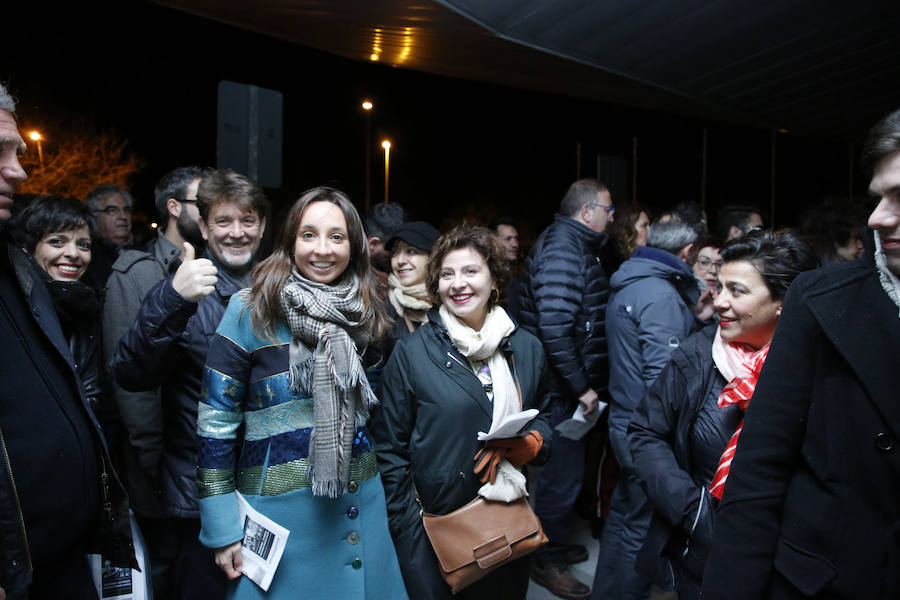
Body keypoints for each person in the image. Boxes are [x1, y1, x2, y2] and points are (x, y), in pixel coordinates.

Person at [701, 110, 900, 599]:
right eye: (879, 197)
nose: (877, 216)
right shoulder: (823, 302)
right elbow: (757, 473)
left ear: (776, 299)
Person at [197, 186, 406, 598]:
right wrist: (222, 529)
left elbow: (378, 414)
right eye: (308, 234)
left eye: (337, 236)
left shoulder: (367, 311)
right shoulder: (250, 308)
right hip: (278, 522)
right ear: (290, 240)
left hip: (359, 505)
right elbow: (215, 425)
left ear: (354, 246)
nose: (322, 249)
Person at [628, 231, 818, 599]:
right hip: (703, 560)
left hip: (787, 563)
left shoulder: (816, 372)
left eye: (738, 291)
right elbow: (645, 432)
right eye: (719, 288)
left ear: (784, 302)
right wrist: (692, 512)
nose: (719, 303)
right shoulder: (697, 356)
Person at [0, 82, 135, 599]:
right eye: (1, 152)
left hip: (66, 555)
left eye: (82, 243)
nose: (20, 170)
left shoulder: (30, 283)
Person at [372, 225, 553, 599]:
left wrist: (536, 442)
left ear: (494, 279)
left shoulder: (526, 347)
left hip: (507, 520)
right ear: (436, 285)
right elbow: (389, 448)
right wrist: (408, 530)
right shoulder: (413, 353)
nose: (458, 284)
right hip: (437, 529)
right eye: (447, 274)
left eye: (471, 271)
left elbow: (547, 412)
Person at [112, 168, 268, 599]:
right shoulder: (182, 287)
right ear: (202, 227)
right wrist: (173, 299)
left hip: (270, 491)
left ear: (262, 226)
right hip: (200, 499)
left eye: (247, 221)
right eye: (223, 222)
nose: (236, 233)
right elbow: (131, 372)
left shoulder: (277, 289)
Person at [592, 217, 714, 600]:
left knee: (626, 516)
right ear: (687, 252)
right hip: (642, 428)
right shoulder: (660, 294)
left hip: (625, 416)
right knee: (642, 526)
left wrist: (692, 320)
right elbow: (663, 378)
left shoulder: (636, 281)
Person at [102, 166, 204, 595]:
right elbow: (130, 379)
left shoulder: (212, 263)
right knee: (164, 566)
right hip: (158, 461)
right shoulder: (138, 272)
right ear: (174, 207)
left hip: (200, 459)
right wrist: (150, 459)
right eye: (204, 202)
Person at [519, 178, 613, 599]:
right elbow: (556, 327)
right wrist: (580, 388)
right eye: (608, 210)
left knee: (564, 477)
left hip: (564, 388)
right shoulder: (563, 249)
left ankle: (551, 544)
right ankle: (545, 560)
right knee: (561, 479)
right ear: (588, 211)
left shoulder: (573, 246)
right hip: (561, 392)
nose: (611, 218)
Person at [15, 195, 119, 440]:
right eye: (57, 241)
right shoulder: (16, 312)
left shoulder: (88, 307)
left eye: (83, 245)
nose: (73, 253)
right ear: (28, 249)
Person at [383, 220, 440, 349]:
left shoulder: (452, 302)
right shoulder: (384, 311)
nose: (400, 261)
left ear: (432, 257)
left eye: (411, 251)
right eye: (395, 252)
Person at [85, 183, 135, 288]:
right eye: (112, 210)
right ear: (94, 216)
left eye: (126, 210)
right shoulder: (87, 258)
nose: (123, 216)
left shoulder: (145, 252)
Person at [491, 217, 525, 323]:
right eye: (508, 239)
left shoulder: (517, 276)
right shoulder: (487, 276)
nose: (515, 244)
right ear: (493, 242)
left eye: (516, 239)